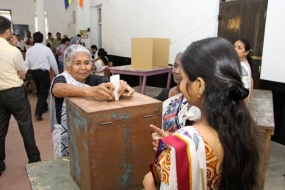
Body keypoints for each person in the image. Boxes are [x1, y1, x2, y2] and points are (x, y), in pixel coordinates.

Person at [143, 37, 261, 190]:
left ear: (199, 86)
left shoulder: (187, 142)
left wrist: (149, 182)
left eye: (184, 78)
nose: (181, 84)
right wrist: (175, 146)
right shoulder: (241, 127)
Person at [50, 44, 134, 158]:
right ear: (67, 66)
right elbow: (58, 89)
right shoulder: (62, 78)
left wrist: (120, 84)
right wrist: (90, 91)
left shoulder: (91, 79)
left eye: (87, 63)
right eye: (77, 63)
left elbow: (107, 82)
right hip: (66, 134)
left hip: (86, 131)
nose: (83, 68)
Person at [0, 16, 41, 176]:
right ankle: (34, 161)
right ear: (8, 30)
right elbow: (23, 71)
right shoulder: (12, 50)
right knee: (25, 128)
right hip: (15, 94)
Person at [25, 31, 59, 121]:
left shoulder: (29, 50)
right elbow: (53, 62)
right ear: (42, 39)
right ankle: (38, 112)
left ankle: (44, 107)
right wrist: (56, 72)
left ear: (33, 39)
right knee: (44, 92)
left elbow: (26, 64)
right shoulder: (46, 49)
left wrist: (23, 73)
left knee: (40, 91)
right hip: (44, 73)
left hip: (34, 73)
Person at [234, 38, 254, 104]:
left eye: (239, 48)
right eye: (234, 46)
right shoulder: (243, 63)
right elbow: (251, 81)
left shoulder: (242, 66)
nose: (235, 49)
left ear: (246, 52)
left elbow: (245, 90)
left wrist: (245, 106)